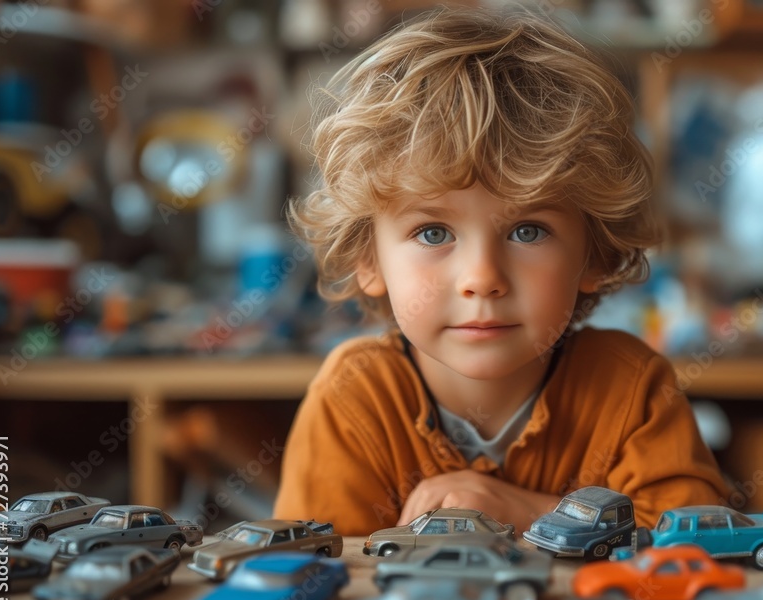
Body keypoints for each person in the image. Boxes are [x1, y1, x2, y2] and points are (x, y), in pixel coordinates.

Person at [273, 6, 727, 536]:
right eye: (433, 233)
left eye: (528, 231)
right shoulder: (354, 398)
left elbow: (692, 546)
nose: (482, 277)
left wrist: (520, 510)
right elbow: (317, 574)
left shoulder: (632, 391)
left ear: (595, 255)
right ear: (368, 259)